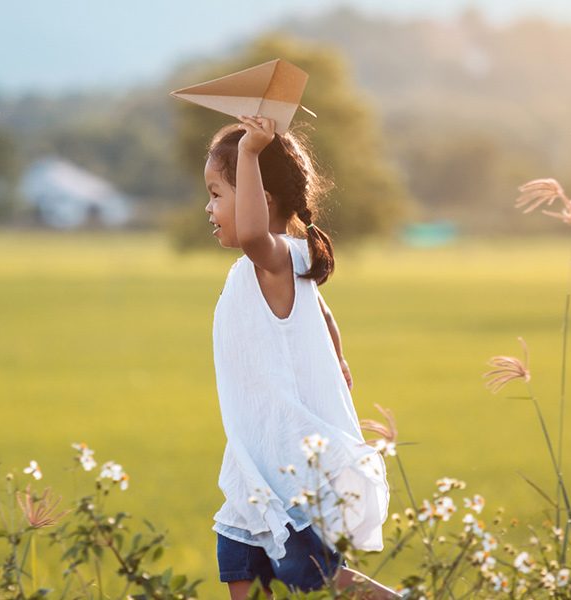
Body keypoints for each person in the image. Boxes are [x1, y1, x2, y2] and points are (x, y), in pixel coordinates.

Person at [204, 114, 397, 599]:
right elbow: (324, 314)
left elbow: (251, 235)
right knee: (240, 571)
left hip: (285, 466)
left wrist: (248, 153)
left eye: (216, 194)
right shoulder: (279, 269)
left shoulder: (273, 258)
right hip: (251, 463)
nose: (208, 208)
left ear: (259, 200)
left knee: (319, 578)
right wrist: (338, 357)